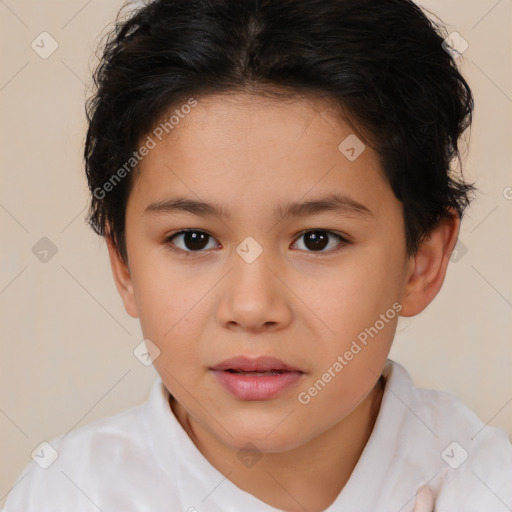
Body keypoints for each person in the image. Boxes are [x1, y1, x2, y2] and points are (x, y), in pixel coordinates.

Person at [3, 0, 511, 510]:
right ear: (123, 264)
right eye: (193, 240)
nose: (251, 308)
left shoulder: (488, 488)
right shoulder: (65, 494)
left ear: (421, 259)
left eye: (318, 239)